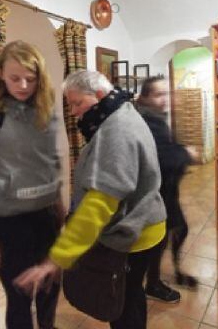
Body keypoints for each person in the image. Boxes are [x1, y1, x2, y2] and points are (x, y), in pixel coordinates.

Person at [13, 70, 167, 329]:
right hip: (145, 225)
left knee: (121, 307)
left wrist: (58, 258)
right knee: (131, 295)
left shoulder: (117, 131)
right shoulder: (121, 113)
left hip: (133, 235)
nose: (73, 112)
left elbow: (100, 204)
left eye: (77, 103)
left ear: (98, 95)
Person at [0, 40, 65, 329]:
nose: (23, 85)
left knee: (50, 288)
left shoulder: (46, 105)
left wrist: (58, 203)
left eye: (31, 79)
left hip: (47, 217)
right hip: (9, 223)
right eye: (15, 77)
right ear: (1, 72)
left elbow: (50, 159)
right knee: (19, 297)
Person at [136, 76, 199, 304]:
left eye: (167, 94)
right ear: (145, 97)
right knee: (165, 235)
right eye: (158, 95)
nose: (165, 99)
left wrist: (180, 151)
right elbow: (161, 157)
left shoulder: (155, 118)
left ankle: (169, 274)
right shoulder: (147, 121)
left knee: (176, 230)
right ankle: (153, 283)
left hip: (166, 190)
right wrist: (187, 154)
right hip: (158, 192)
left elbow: (166, 148)